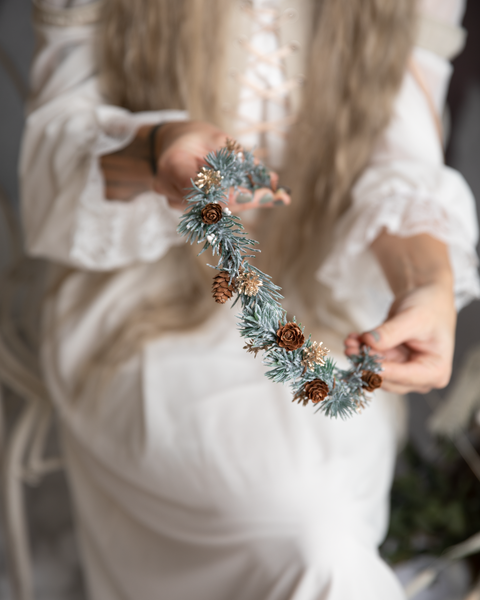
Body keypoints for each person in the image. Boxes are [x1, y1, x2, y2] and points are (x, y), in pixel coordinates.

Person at [20, 0, 479, 598]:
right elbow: (49, 172)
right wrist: (156, 151)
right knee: (307, 536)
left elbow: (401, 162)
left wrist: (426, 284)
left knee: (326, 528)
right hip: (140, 317)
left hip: (326, 314)